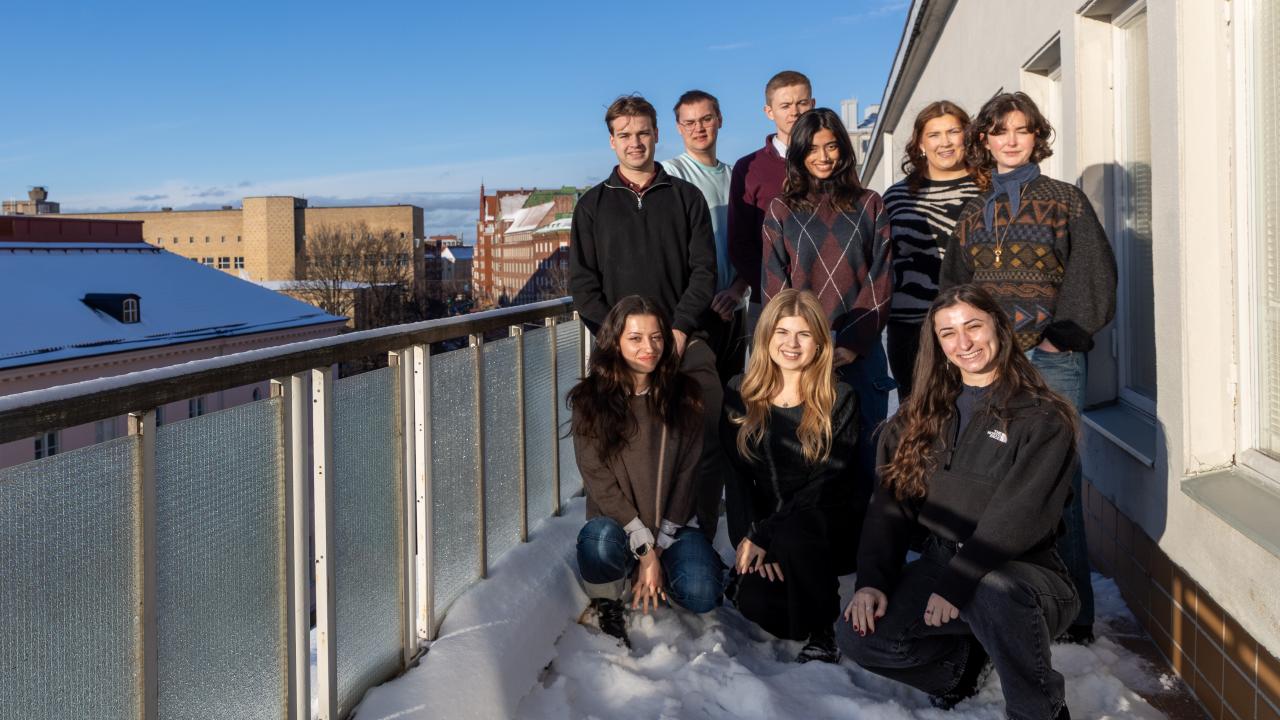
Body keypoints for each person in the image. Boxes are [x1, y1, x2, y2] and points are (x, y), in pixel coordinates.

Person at [839, 284, 1080, 720]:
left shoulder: (1042, 417)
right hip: (941, 563)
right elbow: (889, 507)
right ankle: (962, 669)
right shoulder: (919, 416)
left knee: (993, 589)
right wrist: (872, 580)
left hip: (1022, 574)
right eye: (948, 333)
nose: (963, 342)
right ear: (936, 343)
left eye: (973, 326)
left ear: (999, 329)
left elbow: (1019, 516)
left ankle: (1040, 711)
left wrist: (958, 582)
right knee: (859, 636)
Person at [940, 91, 1116, 645]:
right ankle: (1011, 597)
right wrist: (962, 345)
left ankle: (1074, 613)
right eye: (1000, 131)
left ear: (1038, 136)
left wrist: (1068, 332)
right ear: (984, 141)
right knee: (998, 478)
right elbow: (954, 289)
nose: (1011, 140)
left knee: (1059, 480)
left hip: (1049, 359)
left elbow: (1093, 267)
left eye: (1023, 130)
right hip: (993, 365)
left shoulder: (1065, 200)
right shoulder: (972, 213)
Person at [569, 94, 725, 541]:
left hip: (681, 339)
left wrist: (676, 330)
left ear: (656, 135)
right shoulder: (593, 206)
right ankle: (618, 545)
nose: (634, 143)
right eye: (624, 135)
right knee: (612, 445)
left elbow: (703, 272)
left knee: (708, 436)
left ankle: (696, 540)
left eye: (642, 133)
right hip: (619, 349)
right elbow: (584, 285)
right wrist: (618, 341)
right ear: (612, 142)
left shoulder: (686, 198)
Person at [569, 296, 724, 649]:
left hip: (672, 526)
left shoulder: (685, 395)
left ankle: (660, 577)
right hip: (618, 526)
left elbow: (688, 473)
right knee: (599, 543)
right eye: (635, 338)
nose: (648, 348)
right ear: (615, 342)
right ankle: (607, 599)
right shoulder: (590, 400)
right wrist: (645, 552)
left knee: (703, 593)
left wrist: (659, 546)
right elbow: (598, 478)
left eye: (656, 337)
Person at [761, 106, 892, 515]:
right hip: (802, 357)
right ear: (798, 153)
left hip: (860, 352)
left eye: (832, 146)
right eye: (813, 148)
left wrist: (852, 344)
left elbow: (882, 277)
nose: (823, 156)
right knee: (808, 460)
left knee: (868, 459)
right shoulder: (781, 209)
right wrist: (801, 346)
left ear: (844, 150)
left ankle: (868, 560)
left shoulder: (870, 204)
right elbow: (774, 286)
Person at [721, 289, 858, 664]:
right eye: (782, 332)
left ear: (819, 343)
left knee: (799, 534)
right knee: (757, 604)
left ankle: (823, 629)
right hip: (766, 526)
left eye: (803, 334)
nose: (791, 344)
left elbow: (828, 484)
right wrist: (748, 536)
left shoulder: (840, 398)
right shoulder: (739, 392)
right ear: (766, 337)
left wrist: (769, 536)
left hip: (821, 527)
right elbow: (735, 476)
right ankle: (790, 601)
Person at [883, 100, 981, 401]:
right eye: (934, 134)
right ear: (921, 143)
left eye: (953, 131)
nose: (945, 142)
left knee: (972, 412)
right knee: (916, 415)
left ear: (967, 135)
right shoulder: (896, 196)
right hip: (910, 329)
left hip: (971, 328)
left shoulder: (987, 190)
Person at [662, 89, 744, 384]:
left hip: (732, 309)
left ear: (719, 120)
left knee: (734, 404)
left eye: (706, 118)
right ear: (679, 128)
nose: (699, 128)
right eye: (690, 122)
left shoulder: (737, 177)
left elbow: (750, 245)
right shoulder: (670, 176)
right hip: (692, 315)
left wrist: (736, 291)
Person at [727, 70, 816, 338]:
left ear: (812, 105)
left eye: (801, 103)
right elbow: (740, 241)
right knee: (769, 379)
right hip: (768, 303)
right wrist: (773, 290)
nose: (795, 112)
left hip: (825, 302)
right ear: (769, 111)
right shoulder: (749, 168)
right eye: (785, 105)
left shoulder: (829, 162)